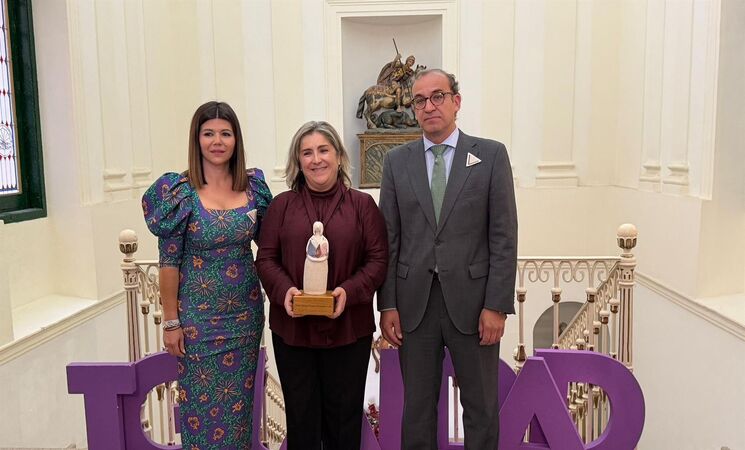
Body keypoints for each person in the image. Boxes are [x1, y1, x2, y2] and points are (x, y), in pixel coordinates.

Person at [378, 69, 518, 449]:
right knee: (417, 411)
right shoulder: (396, 162)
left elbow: (504, 236)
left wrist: (496, 305)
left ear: (456, 101)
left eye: (437, 96)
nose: (429, 106)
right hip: (414, 306)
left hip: (475, 307)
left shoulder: (490, 156)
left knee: (481, 409)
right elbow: (389, 238)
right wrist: (387, 304)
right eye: (419, 100)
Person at [141, 101, 272, 449]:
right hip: (198, 324)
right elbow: (169, 262)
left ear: (236, 139)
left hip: (245, 319)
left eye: (225, 133)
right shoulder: (179, 193)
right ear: (196, 139)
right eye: (209, 133)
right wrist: (171, 322)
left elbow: (272, 247)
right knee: (201, 416)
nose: (217, 141)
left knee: (239, 417)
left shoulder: (254, 189)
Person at [256, 121, 388, 449]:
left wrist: (348, 292)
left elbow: (377, 261)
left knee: (344, 426)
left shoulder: (363, 206)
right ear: (298, 162)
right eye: (307, 153)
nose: (316, 159)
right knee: (301, 423)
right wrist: (285, 291)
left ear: (339, 156)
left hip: (349, 331)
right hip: (293, 332)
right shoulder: (281, 207)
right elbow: (266, 259)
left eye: (323, 150)